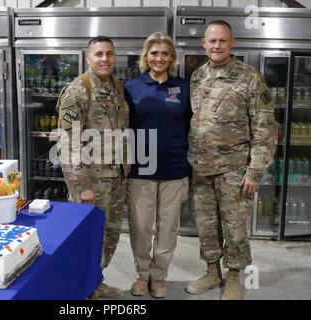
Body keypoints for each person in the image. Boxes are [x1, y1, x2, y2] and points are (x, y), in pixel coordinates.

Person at [186, 20, 278, 300]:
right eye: (212, 41)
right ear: (204, 43)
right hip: (201, 168)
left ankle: (235, 277)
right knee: (206, 225)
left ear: (232, 42)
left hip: (235, 170)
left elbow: (265, 126)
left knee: (235, 228)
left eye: (222, 41)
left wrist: (254, 171)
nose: (217, 46)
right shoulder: (197, 76)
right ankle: (213, 271)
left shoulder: (250, 78)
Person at [56, 36, 130, 299]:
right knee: (88, 239)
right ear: (88, 58)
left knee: (109, 237)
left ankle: (95, 284)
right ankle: (82, 289)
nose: (105, 59)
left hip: (115, 178)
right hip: (92, 183)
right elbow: (68, 143)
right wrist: (82, 187)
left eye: (109, 54)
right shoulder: (79, 90)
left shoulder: (117, 87)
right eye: (98, 54)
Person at [124, 31, 191, 298]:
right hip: (141, 169)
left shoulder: (184, 87)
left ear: (172, 57)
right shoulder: (132, 87)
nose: (159, 58)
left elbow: (191, 126)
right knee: (140, 227)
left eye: (164, 53)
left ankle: (159, 276)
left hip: (175, 168)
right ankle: (142, 275)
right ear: (146, 56)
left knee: (167, 227)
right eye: (154, 53)